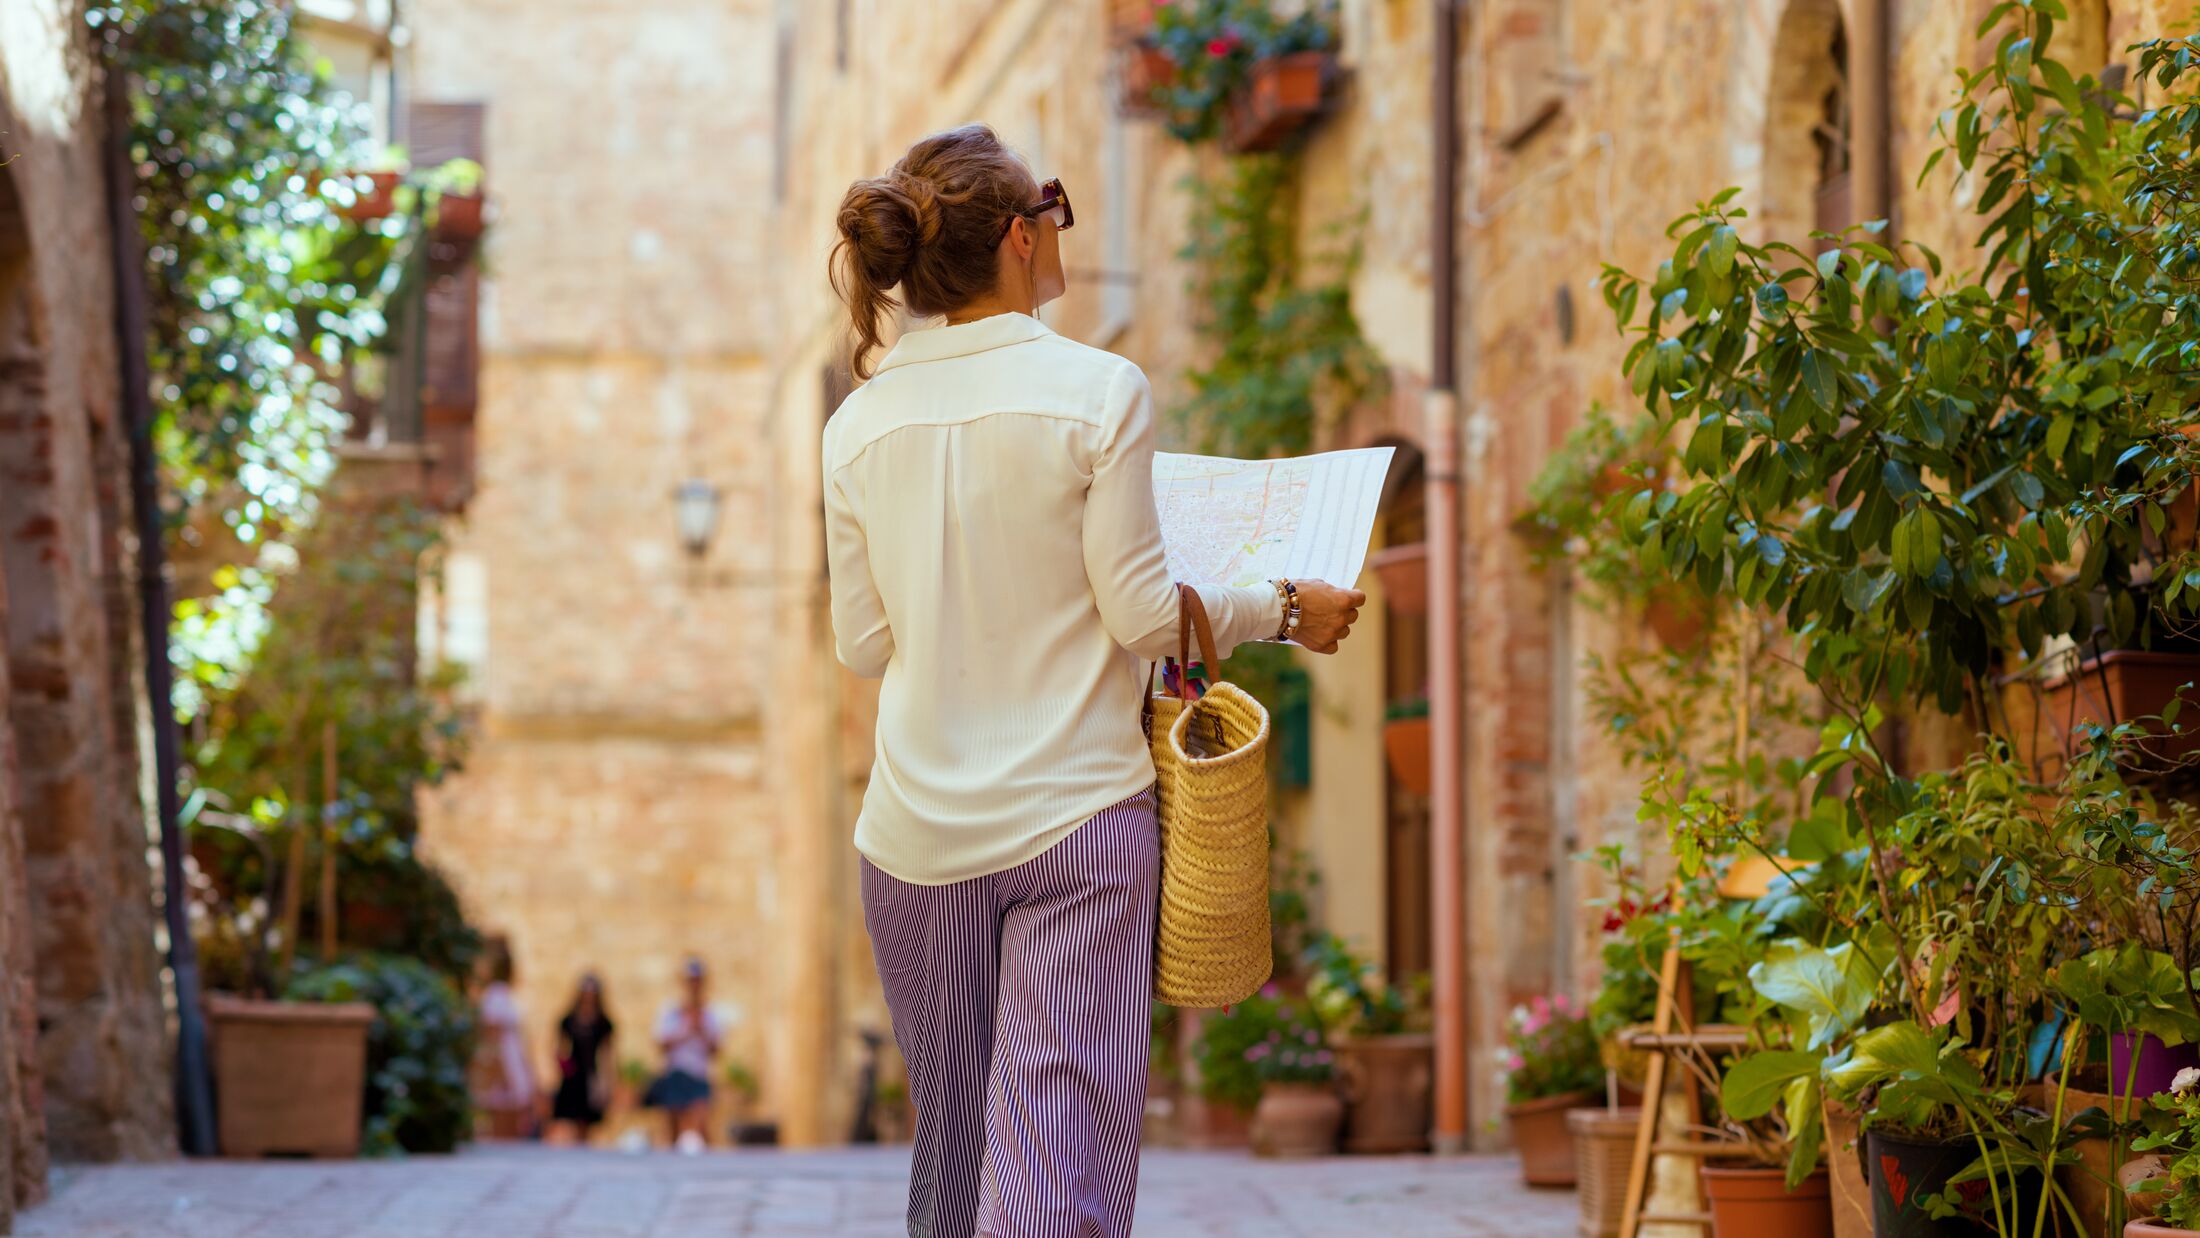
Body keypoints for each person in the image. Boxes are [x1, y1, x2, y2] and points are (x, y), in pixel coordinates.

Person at [823, 124, 1363, 1238]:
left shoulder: (854, 425)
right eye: (1054, 210)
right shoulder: (1097, 390)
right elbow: (1142, 613)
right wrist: (1281, 606)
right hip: (1074, 819)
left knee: (957, 1164)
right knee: (1052, 1159)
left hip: (913, 839)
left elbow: (864, 643)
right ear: (1022, 235)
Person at [643, 956, 723, 1154]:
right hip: (676, 1073)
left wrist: (701, 1029)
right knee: (672, 1130)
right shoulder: (670, 1011)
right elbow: (661, 1043)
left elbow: (716, 1050)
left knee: (701, 1125)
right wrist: (686, 1030)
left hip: (698, 1074)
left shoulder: (710, 1014)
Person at [470, 937, 537, 1139]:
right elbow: (492, 1039)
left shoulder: (501, 993)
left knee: (511, 1129)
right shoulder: (496, 995)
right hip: (506, 1067)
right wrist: (501, 1075)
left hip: (511, 1063)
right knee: (503, 1130)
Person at [547, 972, 616, 1146]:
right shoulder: (568, 1020)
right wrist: (562, 1067)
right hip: (572, 1076)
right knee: (564, 1121)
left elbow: (607, 1055)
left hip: (591, 1075)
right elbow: (559, 1048)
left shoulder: (603, 1023)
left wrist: (606, 1083)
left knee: (585, 1124)